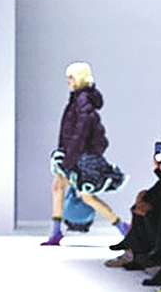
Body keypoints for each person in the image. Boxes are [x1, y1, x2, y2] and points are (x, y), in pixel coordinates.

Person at [42, 61, 125, 245]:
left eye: (71, 77)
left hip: (79, 156)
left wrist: (70, 157)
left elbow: (81, 130)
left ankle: (122, 227)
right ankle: (56, 231)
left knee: (82, 194)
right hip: (77, 153)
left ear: (79, 78)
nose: (69, 81)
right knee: (63, 188)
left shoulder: (82, 99)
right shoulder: (80, 97)